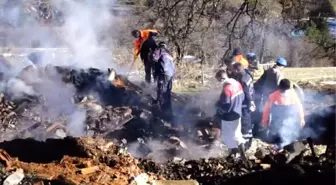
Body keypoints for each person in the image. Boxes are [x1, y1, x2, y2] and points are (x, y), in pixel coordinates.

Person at [214, 69, 247, 161]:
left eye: (218, 80)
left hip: (228, 116)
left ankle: (234, 153)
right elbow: (243, 97)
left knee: (227, 136)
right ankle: (243, 155)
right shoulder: (237, 83)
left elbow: (225, 104)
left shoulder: (226, 89)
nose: (218, 83)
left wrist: (218, 111)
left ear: (222, 79)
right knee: (237, 134)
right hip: (237, 113)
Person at [262, 79, 305, 149]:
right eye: (283, 90)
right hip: (277, 120)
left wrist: (301, 118)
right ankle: (278, 145)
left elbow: (299, 106)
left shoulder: (293, 95)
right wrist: (265, 121)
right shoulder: (273, 96)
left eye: (286, 90)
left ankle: (288, 144)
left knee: (290, 133)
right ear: (279, 88)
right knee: (277, 135)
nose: (284, 92)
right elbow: (267, 109)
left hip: (289, 119)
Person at [231, 62, 256, 149]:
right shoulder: (247, 74)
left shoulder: (242, 79)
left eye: (233, 70)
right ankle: (248, 139)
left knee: (245, 122)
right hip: (248, 101)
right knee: (247, 122)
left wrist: (250, 102)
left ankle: (246, 143)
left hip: (245, 104)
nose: (232, 71)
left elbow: (246, 92)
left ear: (237, 70)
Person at [152, 42, 175, 120]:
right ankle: (168, 110)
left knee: (161, 90)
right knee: (167, 92)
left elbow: (154, 58)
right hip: (170, 75)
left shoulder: (159, 50)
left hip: (163, 73)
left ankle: (161, 110)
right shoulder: (169, 53)